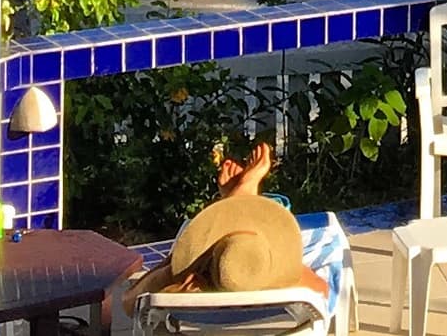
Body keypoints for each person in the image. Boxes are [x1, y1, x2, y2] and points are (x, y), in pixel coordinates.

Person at [102, 141, 339, 330]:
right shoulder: (286, 282)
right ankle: (241, 198)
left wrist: (175, 264)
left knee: (189, 245)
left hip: (203, 283)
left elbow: (130, 302)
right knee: (326, 236)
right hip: (267, 288)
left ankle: (234, 203)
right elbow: (322, 292)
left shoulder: (183, 284)